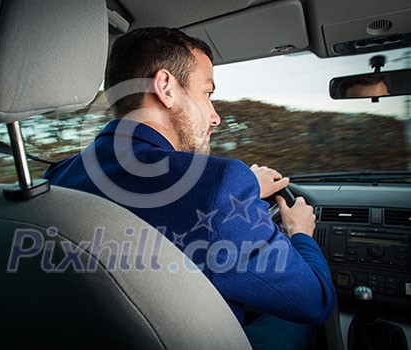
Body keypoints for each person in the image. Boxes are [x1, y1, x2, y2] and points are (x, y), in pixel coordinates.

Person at [44, 27, 336, 349]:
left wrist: (248, 186)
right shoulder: (219, 187)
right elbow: (317, 300)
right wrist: (300, 234)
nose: (215, 118)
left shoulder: (59, 177)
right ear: (166, 88)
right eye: (207, 94)